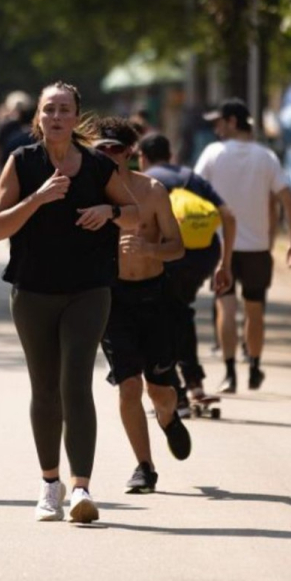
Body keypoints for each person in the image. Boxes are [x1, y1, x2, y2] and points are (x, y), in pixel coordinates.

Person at [0, 81, 140, 523]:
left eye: (64, 110)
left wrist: (109, 213)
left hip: (88, 290)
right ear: (38, 117)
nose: (56, 117)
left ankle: (81, 489)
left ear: (76, 118)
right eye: (49, 110)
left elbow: (134, 214)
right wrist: (38, 199)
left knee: (76, 384)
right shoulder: (22, 162)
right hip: (33, 290)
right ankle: (49, 483)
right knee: (45, 388)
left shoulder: (96, 166)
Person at [90, 118, 190, 495]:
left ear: (130, 152)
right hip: (113, 301)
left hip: (155, 297)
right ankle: (144, 467)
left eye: (115, 149)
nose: (107, 155)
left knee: (160, 390)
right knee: (128, 386)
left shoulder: (152, 191)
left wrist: (149, 249)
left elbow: (177, 247)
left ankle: (168, 419)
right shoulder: (89, 193)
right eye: (100, 149)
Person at [195, 98, 291, 394]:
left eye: (219, 122)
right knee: (255, 311)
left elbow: (192, 189)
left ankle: (229, 374)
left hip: (220, 248)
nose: (216, 128)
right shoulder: (266, 157)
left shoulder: (213, 154)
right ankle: (254, 367)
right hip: (258, 247)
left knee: (224, 308)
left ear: (232, 121)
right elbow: (288, 199)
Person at [138, 132, 236, 410]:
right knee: (180, 311)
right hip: (204, 256)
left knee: (164, 319)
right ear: (171, 155)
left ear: (142, 157)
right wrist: (225, 263)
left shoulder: (148, 182)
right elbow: (228, 215)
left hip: (169, 257)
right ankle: (194, 384)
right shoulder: (191, 177)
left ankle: (177, 391)